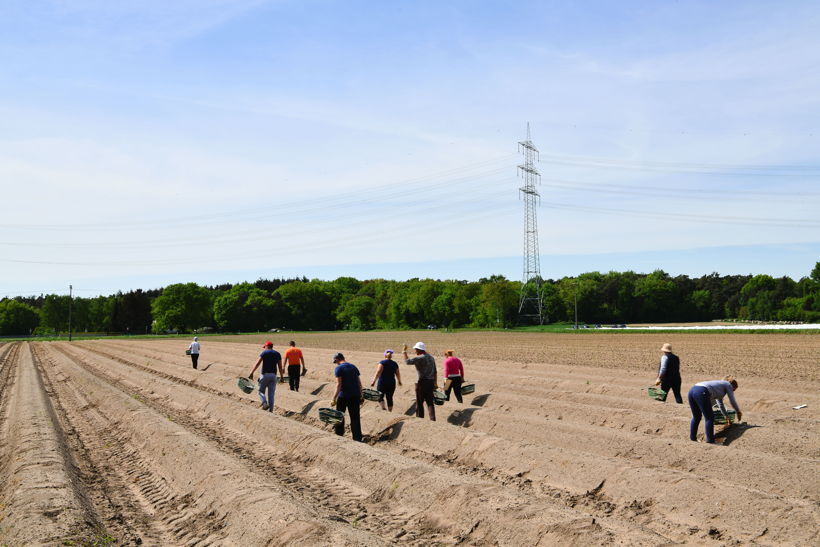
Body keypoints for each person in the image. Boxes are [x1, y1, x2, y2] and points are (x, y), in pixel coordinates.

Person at [688, 376, 743, 444]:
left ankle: (692, 438)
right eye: (733, 390)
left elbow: (720, 404)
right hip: (701, 392)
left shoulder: (719, 387)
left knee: (696, 416)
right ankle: (710, 441)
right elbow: (732, 400)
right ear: (732, 386)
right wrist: (738, 411)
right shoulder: (727, 384)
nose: (732, 391)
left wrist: (726, 416)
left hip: (692, 391)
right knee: (709, 418)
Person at [332, 352, 363, 441]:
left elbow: (338, 384)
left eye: (335, 361)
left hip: (343, 396)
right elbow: (359, 383)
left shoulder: (339, 368)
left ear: (337, 359)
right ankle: (357, 438)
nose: (336, 363)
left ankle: (339, 434)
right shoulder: (353, 367)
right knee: (355, 417)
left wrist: (334, 398)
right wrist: (361, 395)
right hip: (355, 395)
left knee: (339, 416)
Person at [403, 342, 437, 421]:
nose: (415, 351)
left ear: (419, 350)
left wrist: (404, 352)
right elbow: (435, 371)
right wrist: (435, 383)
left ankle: (420, 419)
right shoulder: (431, 357)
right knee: (430, 402)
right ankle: (433, 419)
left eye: (415, 350)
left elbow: (407, 362)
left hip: (421, 383)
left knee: (419, 402)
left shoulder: (419, 358)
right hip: (430, 382)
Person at [248, 341, 283, 412]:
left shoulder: (264, 353)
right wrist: (282, 377)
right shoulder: (277, 354)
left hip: (264, 375)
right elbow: (280, 367)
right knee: (271, 394)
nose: (264, 348)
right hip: (273, 376)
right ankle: (271, 410)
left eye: (265, 347)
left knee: (260, 391)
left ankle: (264, 403)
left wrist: (251, 372)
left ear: (267, 346)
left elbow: (257, 363)